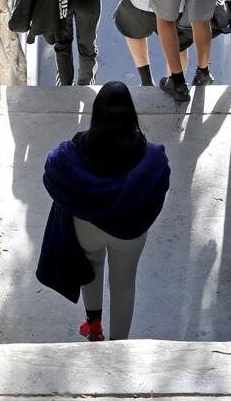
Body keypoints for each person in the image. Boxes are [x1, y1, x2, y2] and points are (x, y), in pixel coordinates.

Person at [36, 81, 171, 341]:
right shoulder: (147, 154)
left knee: (92, 267)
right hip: (129, 229)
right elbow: (159, 181)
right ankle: (119, 345)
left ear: (96, 112)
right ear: (131, 114)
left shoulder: (79, 146)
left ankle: (94, 326)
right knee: (124, 284)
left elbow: (53, 166)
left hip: (87, 226)